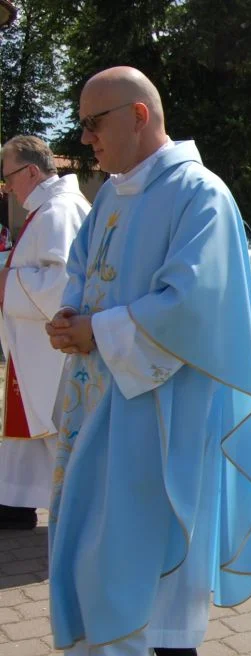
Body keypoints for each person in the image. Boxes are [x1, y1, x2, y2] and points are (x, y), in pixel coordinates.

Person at [44, 66, 251, 656]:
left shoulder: (199, 193)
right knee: (97, 550)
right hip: (96, 399)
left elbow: (190, 305)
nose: (85, 138)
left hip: (161, 411)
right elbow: (80, 267)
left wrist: (95, 331)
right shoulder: (111, 196)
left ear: (139, 115)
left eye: (93, 123)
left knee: (150, 572)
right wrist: (71, 312)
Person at [0, 135, 88, 530]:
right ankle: (15, 501)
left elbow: (62, 285)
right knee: (32, 428)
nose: (7, 188)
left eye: (9, 178)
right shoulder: (47, 208)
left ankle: (74, 510)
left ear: (31, 171)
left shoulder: (59, 210)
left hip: (53, 351)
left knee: (55, 427)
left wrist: (6, 283)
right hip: (35, 347)